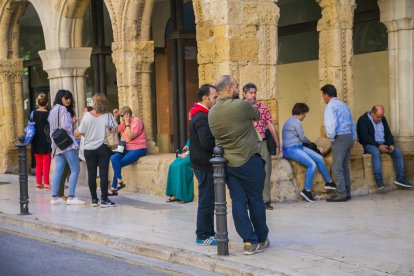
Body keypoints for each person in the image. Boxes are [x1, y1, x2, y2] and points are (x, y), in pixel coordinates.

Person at [209, 75, 269, 255]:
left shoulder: (212, 112)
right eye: (236, 86)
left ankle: (249, 242)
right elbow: (257, 115)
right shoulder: (241, 105)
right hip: (249, 160)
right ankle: (261, 237)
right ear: (229, 89)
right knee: (256, 200)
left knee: (238, 201)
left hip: (229, 164)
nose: (238, 89)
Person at [282, 103, 336, 202]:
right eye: (304, 113)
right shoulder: (296, 122)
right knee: (312, 164)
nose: (305, 116)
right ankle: (306, 190)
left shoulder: (291, 120)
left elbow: (300, 139)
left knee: (319, 158)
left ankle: (329, 182)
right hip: (291, 149)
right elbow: (302, 137)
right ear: (300, 113)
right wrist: (311, 143)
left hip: (298, 146)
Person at [242, 83, 280, 210]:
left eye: (254, 92)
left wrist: (277, 144)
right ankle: (248, 201)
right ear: (244, 94)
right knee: (247, 172)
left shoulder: (262, 107)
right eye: (250, 93)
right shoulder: (239, 108)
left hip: (262, 142)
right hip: (247, 144)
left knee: (265, 171)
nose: (253, 95)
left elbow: (270, 125)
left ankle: (265, 200)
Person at [357, 105, 413, 189]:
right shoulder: (363, 120)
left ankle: (401, 179)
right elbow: (364, 137)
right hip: (370, 144)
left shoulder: (383, 119)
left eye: (381, 117)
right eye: (378, 117)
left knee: (397, 151)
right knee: (376, 152)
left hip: (383, 143)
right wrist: (378, 146)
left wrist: (391, 144)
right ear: (372, 113)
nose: (380, 119)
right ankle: (379, 181)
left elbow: (388, 133)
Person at [189, 84, 218, 246]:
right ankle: (203, 235)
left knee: (209, 200)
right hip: (204, 165)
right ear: (205, 98)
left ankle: (209, 232)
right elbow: (206, 143)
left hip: (202, 164)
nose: (216, 100)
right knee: (206, 201)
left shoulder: (201, 115)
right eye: (214, 97)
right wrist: (220, 143)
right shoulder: (201, 117)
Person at [77, 93, 116, 207]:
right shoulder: (109, 116)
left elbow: (81, 131)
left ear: (95, 103)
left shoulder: (87, 116)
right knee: (104, 174)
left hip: (88, 148)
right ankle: (104, 200)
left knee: (92, 173)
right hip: (103, 147)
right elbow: (115, 129)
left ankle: (94, 200)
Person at [48, 89, 84, 205]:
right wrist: (72, 122)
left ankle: (54, 197)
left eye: (69, 98)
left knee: (58, 170)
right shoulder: (62, 109)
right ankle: (71, 197)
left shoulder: (52, 110)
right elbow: (66, 127)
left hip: (57, 144)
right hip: (67, 144)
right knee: (75, 169)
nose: (68, 100)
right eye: (66, 98)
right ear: (60, 98)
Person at [322, 84, 356, 202]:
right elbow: (352, 123)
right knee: (344, 166)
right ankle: (347, 192)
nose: (323, 98)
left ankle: (341, 193)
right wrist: (353, 138)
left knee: (337, 167)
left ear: (327, 95)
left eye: (323, 95)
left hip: (339, 137)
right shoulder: (344, 105)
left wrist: (331, 138)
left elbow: (331, 124)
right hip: (348, 137)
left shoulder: (330, 107)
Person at [109, 106, 147, 195]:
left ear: (128, 114)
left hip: (139, 148)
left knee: (119, 163)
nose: (122, 118)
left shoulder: (137, 121)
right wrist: (115, 117)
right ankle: (119, 181)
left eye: (123, 116)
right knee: (114, 158)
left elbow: (130, 136)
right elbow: (114, 130)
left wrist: (127, 124)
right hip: (126, 148)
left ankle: (114, 188)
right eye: (121, 116)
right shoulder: (124, 123)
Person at [31, 93, 52, 190]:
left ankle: (38, 183)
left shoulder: (33, 113)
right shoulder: (49, 113)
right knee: (46, 161)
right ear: (47, 103)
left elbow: (30, 125)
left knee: (38, 162)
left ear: (37, 103)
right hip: (46, 140)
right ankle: (46, 183)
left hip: (35, 140)